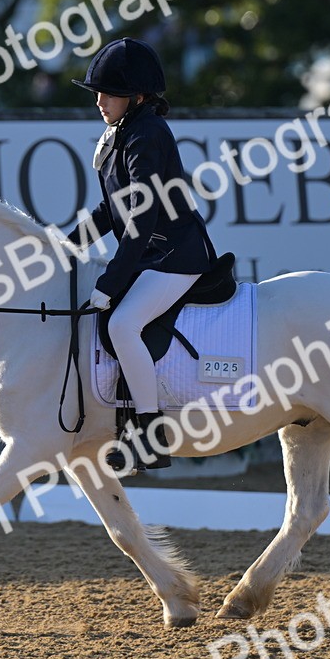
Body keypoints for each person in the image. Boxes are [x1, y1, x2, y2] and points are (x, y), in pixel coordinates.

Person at [67, 37, 218, 470]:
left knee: (124, 323)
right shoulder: (122, 132)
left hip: (176, 256)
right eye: (97, 92)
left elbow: (141, 219)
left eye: (107, 93)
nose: (98, 101)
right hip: (153, 255)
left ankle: (150, 435)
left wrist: (110, 281)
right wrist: (63, 247)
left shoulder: (147, 134)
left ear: (136, 97)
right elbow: (109, 210)